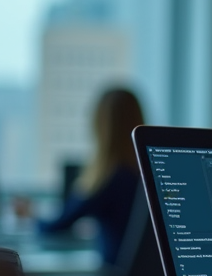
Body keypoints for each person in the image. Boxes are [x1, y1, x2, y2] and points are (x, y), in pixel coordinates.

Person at [38, 87, 145, 266]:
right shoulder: (149, 175)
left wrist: (30, 217)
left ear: (100, 126)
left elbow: (56, 226)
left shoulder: (109, 178)